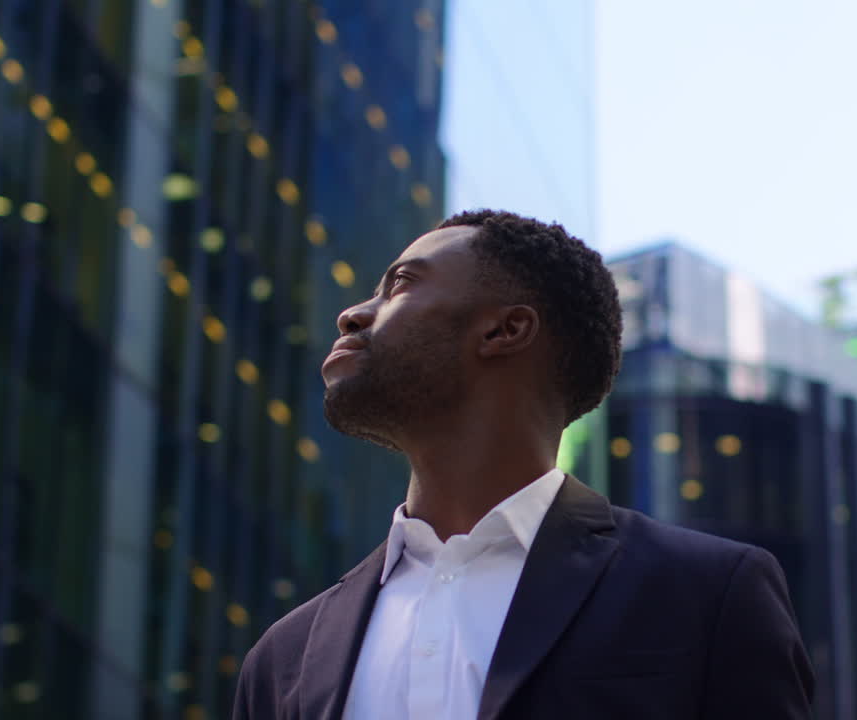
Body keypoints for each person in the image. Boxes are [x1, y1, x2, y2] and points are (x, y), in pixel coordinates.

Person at [232, 210, 815, 720]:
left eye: (400, 286)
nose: (353, 315)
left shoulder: (707, 595)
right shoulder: (284, 658)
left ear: (505, 329)